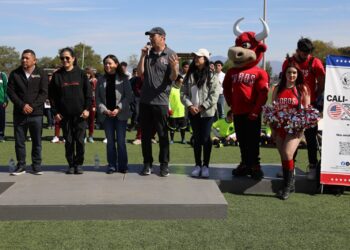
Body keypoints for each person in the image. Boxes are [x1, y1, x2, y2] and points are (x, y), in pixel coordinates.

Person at [137, 26, 179, 177]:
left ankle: (164, 165)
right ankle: (147, 164)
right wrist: (142, 56)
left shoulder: (171, 54)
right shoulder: (147, 54)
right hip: (145, 102)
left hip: (161, 102)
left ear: (163, 37)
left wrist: (174, 68)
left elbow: (174, 78)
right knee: (146, 136)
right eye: (149, 36)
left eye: (153, 36)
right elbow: (140, 73)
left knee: (162, 135)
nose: (150, 38)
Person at [282, 38, 325, 180]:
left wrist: (315, 101)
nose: (306, 55)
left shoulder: (315, 62)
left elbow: (322, 83)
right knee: (291, 136)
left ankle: (312, 166)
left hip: (310, 105)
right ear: (297, 50)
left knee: (311, 137)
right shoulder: (289, 62)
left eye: (308, 52)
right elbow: (284, 82)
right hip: (292, 106)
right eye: (303, 52)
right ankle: (290, 167)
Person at [271, 62, 310, 200]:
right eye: (289, 72)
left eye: (294, 73)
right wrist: (273, 128)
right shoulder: (278, 88)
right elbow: (273, 109)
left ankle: (287, 186)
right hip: (280, 126)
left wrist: (302, 127)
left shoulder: (302, 89)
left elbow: (307, 110)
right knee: (283, 155)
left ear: (298, 74)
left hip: (295, 128)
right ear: (285, 74)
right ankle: (290, 183)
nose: (292, 75)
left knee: (288, 153)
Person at [49, 47, 91, 174]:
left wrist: (87, 109)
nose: (65, 60)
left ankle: (79, 164)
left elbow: (88, 94)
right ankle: (71, 164)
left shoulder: (81, 73)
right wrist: (55, 112)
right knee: (69, 141)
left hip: (80, 115)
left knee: (79, 141)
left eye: (67, 57)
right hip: (64, 115)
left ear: (73, 58)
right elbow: (52, 97)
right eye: (62, 58)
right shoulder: (57, 75)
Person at [7, 49, 48, 175]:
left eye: (27, 58)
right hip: (19, 114)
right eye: (22, 58)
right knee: (19, 141)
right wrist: (22, 105)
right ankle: (21, 166)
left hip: (36, 114)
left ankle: (36, 165)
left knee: (37, 141)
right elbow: (11, 92)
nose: (24, 60)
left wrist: (32, 106)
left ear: (34, 60)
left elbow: (44, 93)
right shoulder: (15, 73)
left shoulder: (41, 73)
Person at [181, 48, 220, 178]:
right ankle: (197, 165)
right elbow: (183, 93)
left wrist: (203, 107)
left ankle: (206, 166)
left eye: (199, 57)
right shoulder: (189, 75)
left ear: (205, 59)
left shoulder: (212, 75)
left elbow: (214, 95)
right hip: (193, 112)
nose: (196, 59)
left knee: (205, 138)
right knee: (197, 139)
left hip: (207, 113)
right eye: (195, 57)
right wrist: (190, 106)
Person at [96, 55, 132, 174]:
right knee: (110, 142)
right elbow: (98, 99)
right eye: (105, 63)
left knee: (121, 141)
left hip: (120, 115)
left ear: (116, 64)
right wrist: (105, 110)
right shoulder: (100, 79)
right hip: (107, 116)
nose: (107, 65)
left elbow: (128, 97)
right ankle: (111, 165)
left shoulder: (124, 78)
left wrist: (118, 108)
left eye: (110, 63)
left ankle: (123, 166)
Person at [168, 74, 187, 144]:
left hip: (182, 112)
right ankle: (172, 139)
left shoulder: (183, 90)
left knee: (183, 127)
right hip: (173, 112)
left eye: (182, 82)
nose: (181, 83)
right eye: (180, 82)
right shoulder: (171, 89)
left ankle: (183, 139)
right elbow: (168, 101)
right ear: (176, 81)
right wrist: (169, 109)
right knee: (172, 128)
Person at [85, 67, 98, 143]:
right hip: (84, 104)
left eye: (89, 73)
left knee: (91, 121)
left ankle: (90, 136)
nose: (87, 75)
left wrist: (94, 105)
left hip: (92, 104)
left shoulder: (94, 81)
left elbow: (95, 93)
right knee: (83, 121)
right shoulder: (82, 81)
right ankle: (83, 136)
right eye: (86, 73)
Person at [0, 71, 8, 142]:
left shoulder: (2, 75)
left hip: (1, 101)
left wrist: (5, 100)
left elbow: (6, 88)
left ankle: (1, 135)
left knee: (1, 119)